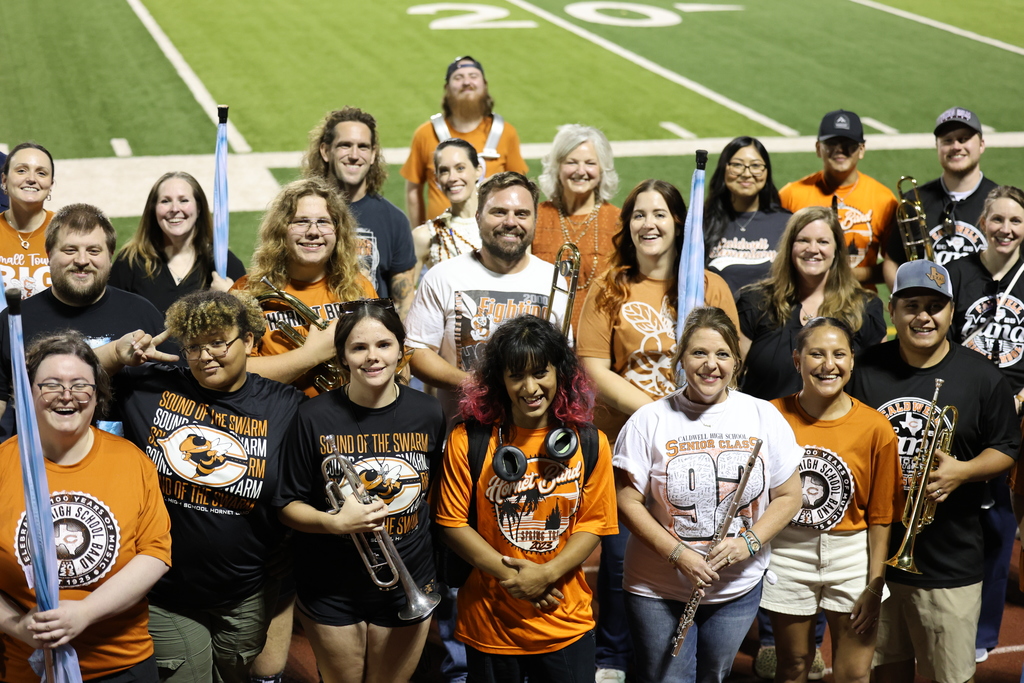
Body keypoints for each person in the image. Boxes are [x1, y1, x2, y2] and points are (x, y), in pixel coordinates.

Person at [97, 290, 305, 682]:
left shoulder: (286, 405)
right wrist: (114, 355)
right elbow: (59, 375)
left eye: (218, 342)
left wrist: (294, 542)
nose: (206, 355)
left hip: (247, 589)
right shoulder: (149, 387)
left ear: (247, 341)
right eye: (193, 346)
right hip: (165, 587)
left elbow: (303, 484)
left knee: (235, 674)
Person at [576, 179, 738, 682]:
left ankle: (676, 652)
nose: (650, 223)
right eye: (640, 214)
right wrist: (657, 412)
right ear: (628, 226)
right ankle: (612, 656)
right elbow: (593, 367)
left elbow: (730, 359)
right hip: (628, 443)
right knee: (623, 552)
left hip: (700, 445)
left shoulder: (709, 285)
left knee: (686, 547)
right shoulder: (610, 285)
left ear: (679, 223)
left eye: (661, 214)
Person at [848, 259, 1019, 683]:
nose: (923, 316)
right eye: (911, 305)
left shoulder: (983, 377)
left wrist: (964, 471)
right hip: (876, 561)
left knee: (950, 676)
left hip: (950, 561)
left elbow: (1007, 448)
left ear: (951, 312)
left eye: (935, 306)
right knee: (884, 669)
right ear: (893, 310)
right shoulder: (866, 370)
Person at [614, 306, 802, 683]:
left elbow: (789, 495)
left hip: (737, 585)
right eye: (699, 353)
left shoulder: (763, 415)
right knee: (668, 678)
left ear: (735, 361)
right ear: (682, 357)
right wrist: (677, 553)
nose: (710, 365)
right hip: (658, 588)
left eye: (722, 354)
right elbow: (626, 501)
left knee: (715, 675)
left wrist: (747, 543)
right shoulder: (649, 420)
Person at [434, 313, 618, 681]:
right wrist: (517, 580)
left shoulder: (589, 442)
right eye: (516, 375)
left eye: (540, 373)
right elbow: (452, 524)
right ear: (500, 380)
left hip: (564, 617)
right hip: (490, 622)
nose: (530, 387)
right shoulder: (467, 440)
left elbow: (595, 524)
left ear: (559, 374)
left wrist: (546, 574)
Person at [276, 300, 445, 683]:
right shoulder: (313, 416)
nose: (373, 357)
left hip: (410, 573)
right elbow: (287, 504)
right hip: (331, 580)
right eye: (358, 348)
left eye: (384, 345)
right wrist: (334, 523)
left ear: (402, 350)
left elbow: (430, 493)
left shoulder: (428, 412)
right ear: (342, 357)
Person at [0, 332, 171, 681]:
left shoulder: (131, 461)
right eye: (50, 384)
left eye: (80, 385)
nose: (66, 396)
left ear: (97, 397)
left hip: (121, 663)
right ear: (28, 394)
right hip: (26, 667)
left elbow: (155, 553)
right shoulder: (3, 464)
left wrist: (86, 612)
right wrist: (17, 626)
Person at [763, 317, 901, 683]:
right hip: (788, 550)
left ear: (852, 361)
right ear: (797, 360)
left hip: (851, 553)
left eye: (839, 354)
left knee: (854, 673)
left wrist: (875, 581)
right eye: (816, 354)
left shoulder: (875, 427)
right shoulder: (770, 417)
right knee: (793, 664)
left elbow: (881, 515)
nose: (829, 365)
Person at [405, 171, 567, 421]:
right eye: (499, 212)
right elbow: (415, 351)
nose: (511, 221)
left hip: (535, 437)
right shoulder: (443, 276)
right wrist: (477, 385)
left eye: (522, 213)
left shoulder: (554, 280)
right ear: (478, 217)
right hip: (464, 440)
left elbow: (563, 361)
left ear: (535, 220)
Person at [0, 203, 168, 436]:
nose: (81, 260)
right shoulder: (14, 320)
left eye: (94, 251)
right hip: (41, 464)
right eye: (70, 250)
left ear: (110, 257)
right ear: (48, 255)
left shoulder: (142, 313)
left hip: (125, 464)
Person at [945, 185, 1024, 663]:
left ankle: (983, 633)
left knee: (999, 526)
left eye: (1016, 221)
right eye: (998, 220)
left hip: (1014, 418)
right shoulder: (957, 274)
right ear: (984, 220)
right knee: (952, 517)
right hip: (964, 413)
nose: (1007, 229)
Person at [235, 177, 377, 398]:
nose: (313, 231)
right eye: (301, 221)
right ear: (281, 230)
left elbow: (392, 360)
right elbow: (233, 371)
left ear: (337, 232)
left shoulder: (359, 287)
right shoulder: (247, 291)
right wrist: (309, 356)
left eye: (323, 221)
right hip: (276, 421)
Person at [737, 206, 887, 402]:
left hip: (838, 430)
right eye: (803, 241)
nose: (813, 249)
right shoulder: (756, 301)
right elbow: (733, 375)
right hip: (764, 428)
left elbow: (878, 382)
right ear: (790, 247)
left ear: (836, 250)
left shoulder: (864, 307)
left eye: (823, 242)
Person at [303, 107, 417, 317]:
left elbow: (404, 302)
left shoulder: (395, 220)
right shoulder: (300, 213)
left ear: (373, 155)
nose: (354, 155)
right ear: (325, 151)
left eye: (363, 147)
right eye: (345, 145)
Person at [402, 56, 527, 226]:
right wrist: (418, 234)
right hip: (440, 238)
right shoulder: (425, 133)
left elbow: (520, 190)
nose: (467, 82)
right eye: (458, 78)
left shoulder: (506, 132)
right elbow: (413, 190)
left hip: (493, 237)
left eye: (473, 76)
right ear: (447, 88)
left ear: (485, 84)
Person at [779, 110, 897, 289]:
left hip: (859, 306)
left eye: (848, 144)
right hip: (802, 301)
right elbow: (774, 256)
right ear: (818, 148)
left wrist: (846, 274)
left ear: (862, 150)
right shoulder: (791, 194)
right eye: (832, 143)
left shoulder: (884, 199)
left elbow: (896, 264)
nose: (840, 149)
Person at [883, 107, 998, 285]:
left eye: (964, 139)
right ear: (937, 146)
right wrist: (907, 301)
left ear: (981, 144)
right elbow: (892, 261)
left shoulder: (1003, 202)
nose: (956, 146)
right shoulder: (912, 201)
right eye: (947, 140)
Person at [110, 171, 246, 313]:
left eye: (184, 200)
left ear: (198, 208)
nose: (175, 209)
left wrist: (233, 297)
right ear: (153, 209)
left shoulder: (224, 264)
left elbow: (253, 326)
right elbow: (111, 316)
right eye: (165, 201)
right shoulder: (130, 262)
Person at [533, 124, 620, 333]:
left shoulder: (619, 221)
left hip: (600, 338)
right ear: (557, 166)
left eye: (590, 163)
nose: (581, 171)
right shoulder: (535, 216)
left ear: (602, 169)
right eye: (571, 162)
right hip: (543, 338)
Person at [704, 136, 791, 297]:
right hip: (718, 319)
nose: (746, 173)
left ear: (767, 171)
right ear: (724, 168)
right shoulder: (703, 221)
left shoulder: (787, 223)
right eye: (737, 165)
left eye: (756, 166)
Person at [411, 138, 485, 280]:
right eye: (444, 171)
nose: (452, 178)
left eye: (460, 168)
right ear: (437, 179)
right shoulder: (426, 236)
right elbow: (404, 298)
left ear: (478, 170)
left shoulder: (502, 225)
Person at [0, 142, 56, 298]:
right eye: (21, 170)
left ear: (50, 185)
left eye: (41, 173)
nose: (31, 179)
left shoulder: (67, 231)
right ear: (4, 180)